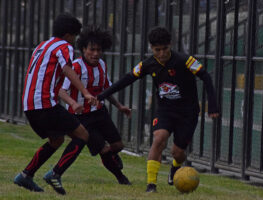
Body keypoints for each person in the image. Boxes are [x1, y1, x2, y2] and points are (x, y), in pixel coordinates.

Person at [97, 27, 219, 192]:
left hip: (187, 113)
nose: (161, 53)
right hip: (165, 110)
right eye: (157, 50)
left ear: (171, 45)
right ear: (151, 48)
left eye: (165, 49)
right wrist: (102, 96)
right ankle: (151, 185)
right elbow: (127, 79)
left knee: (178, 152)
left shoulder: (185, 60)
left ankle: (176, 167)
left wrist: (212, 104)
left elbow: (206, 76)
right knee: (159, 138)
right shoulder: (148, 64)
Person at [13, 13, 97, 195]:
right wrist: (85, 92)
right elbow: (67, 69)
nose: (74, 40)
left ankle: (25, 175)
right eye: (74, 36)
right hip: (43, 103)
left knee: (57, 140)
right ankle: (55, 174)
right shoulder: (64, 46)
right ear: (69, 34)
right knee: (82, 134)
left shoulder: (42, 46)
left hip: (30, 104)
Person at [59, 26, 131, 185]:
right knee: (104, 150)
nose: (96, 54)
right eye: (92, 49)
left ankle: (111, 157)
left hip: (99, 112)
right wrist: (73, 103)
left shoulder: (102, 65)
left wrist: (119, 106)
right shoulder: (75, 67)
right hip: (81, 117)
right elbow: (61, 91)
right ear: (83, 48)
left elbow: (106, 89)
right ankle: (121, 178)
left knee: (118, 145)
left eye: (99, 50)